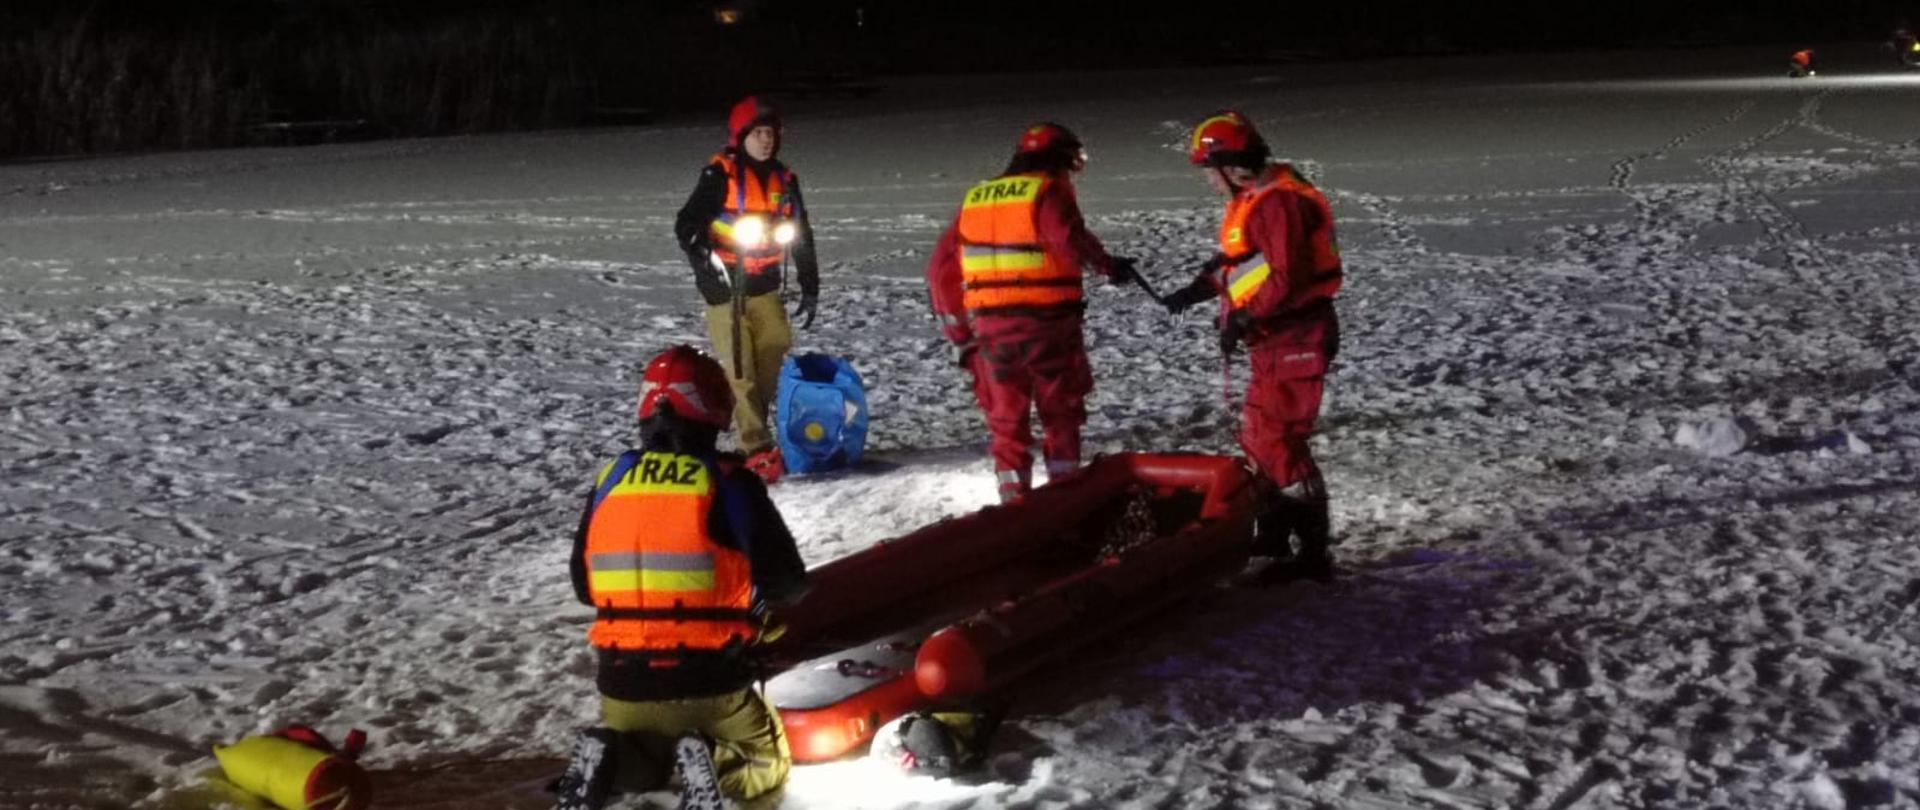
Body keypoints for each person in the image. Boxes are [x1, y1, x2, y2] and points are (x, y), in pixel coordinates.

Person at [554, 345, 809, 810]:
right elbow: (787, 584)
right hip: (710, 680)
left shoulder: (610, 479)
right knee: (765, 768)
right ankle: (716, 759)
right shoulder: (730, 483)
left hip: (621, 684)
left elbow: (584, 585)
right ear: (715, 409)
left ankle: (616, 759)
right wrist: (750, 607)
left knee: (650, 753)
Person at [1161, 110, 1343, 581]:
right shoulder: (1257, 197)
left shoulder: (1277, 203)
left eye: (1209, 169)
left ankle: (1311, 553)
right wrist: (1198, 291)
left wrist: (1245, 316)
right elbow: (1245, 263)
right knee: (1261, 436)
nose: (1207, 180)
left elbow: (1285, 275)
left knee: (1278, 440)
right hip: (1275, 337)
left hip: (1294, 335)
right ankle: (1276, 534)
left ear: (1232, 165)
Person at [924, 123, 1144, 502]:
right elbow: (1067, 237)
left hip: (991, 335)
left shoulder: (976, 199)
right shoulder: (1047, 191)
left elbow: (940, 272)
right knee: (1060, 417)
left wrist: (960, 335)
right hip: (1048, 330)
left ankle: (1014, 506)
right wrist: (1108, 265)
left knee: (1007, 425)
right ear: (1061, 160)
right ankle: (1064, 499)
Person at [675, 96, 822, 484]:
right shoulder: (719, 175)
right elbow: (686, 224)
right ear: (741, 137)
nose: (766, 140)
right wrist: (707, 264)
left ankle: (752, 427)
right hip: (726, 289)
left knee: (774, 347)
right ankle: (754, 446)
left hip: (764, 285)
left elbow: (802, 234)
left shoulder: (785, 180)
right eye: (758, 133)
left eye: (770, 133)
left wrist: (810, 285)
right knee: (741, 370)